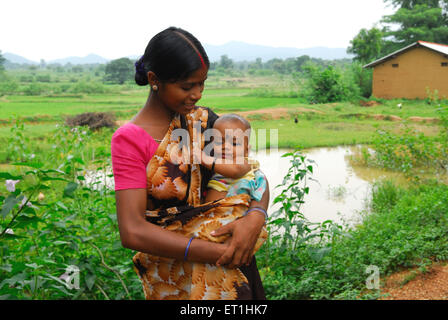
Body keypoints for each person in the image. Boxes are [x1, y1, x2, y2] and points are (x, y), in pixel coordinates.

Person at [111, 27, 270, 300]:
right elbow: (132, 230)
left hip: (232, 267)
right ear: (154, 79)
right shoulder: (129, 140)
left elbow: (252, 175)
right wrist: (216, 252)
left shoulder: (206, 122)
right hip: (176, 278)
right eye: (187, 86)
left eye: (202, 83)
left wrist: (256, 216)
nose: (197, 94)